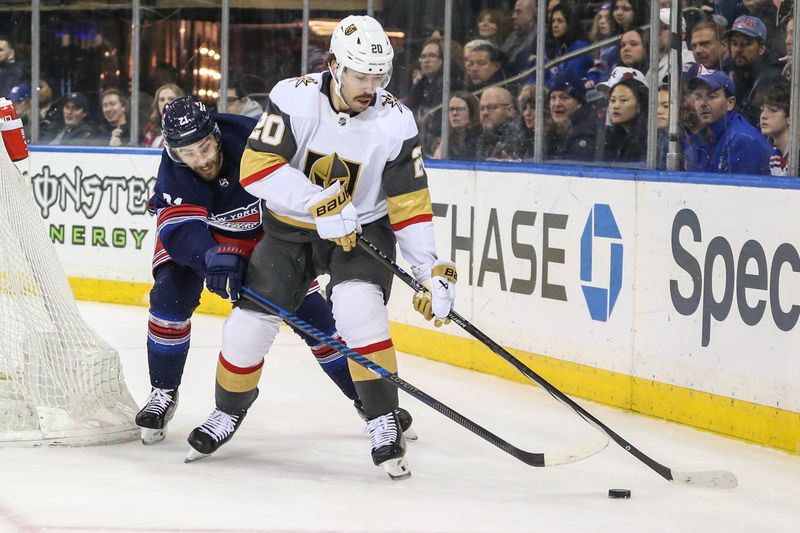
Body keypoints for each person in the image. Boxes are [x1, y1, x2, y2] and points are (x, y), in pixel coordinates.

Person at [186, 15, 456, 480]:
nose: (370, 86)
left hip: (362, 231)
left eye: (379, 75)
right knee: (246, 327)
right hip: (291, 231)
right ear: (333, 64)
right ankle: (227, 411)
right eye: (360, 74)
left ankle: (381, 420)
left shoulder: (395, 122)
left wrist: (430, 269)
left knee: (358, 310)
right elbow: (256, 168)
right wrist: (317, 202)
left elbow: (409, 204)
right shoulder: (294, 97)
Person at [136, 96, 414, 445]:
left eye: (204, 147)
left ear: (216, 134)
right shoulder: (175, 167)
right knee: (169, 296)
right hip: (204, 241)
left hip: (267, 237)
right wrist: (210, 259)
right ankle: (162, 392)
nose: (200, 160)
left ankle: (367, 400)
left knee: (316, 321)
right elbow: (180, 231)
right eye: (187, 154)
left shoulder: (254, 138)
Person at [685, 70, 771, 175]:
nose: (703, 103)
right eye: (698, 97)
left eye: (711, 96)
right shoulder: (702, 138)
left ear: (730, 103)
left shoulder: (744, 142)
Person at [725, 15, 785, 127]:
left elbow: (758, 125)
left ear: (761, 49)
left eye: (746, 44)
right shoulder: (738, 74)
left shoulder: (772, 79)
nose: (738, 49)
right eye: (734, 43)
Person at [602, 77, 649, 163]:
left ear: (639, 106)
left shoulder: (647, 140)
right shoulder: (612, 136)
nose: (615, 106)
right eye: (612, 100)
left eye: (624, 100)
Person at [476, 86, 524, 161]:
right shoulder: (476, 138)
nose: (485, 113)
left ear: (509, 110)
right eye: (481, 108)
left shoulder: (522, 138)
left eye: (493, 107)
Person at [431, 91, 481, 160]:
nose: (454, 113)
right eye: (451, 109)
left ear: (472, 112)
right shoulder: (446, 140)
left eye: (460, 109)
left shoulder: (480, 138)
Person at [755, 81, 791, 176]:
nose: (763, 116)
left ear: (791, 117)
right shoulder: (775, 156)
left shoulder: (796, 159)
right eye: (762, 109)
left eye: (773, 110)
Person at [142, 83, 184, 148]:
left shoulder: (187, 129)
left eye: (171, 99)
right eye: (162, 100)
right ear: (157, 104)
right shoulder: (150, 129)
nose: (166, 103)